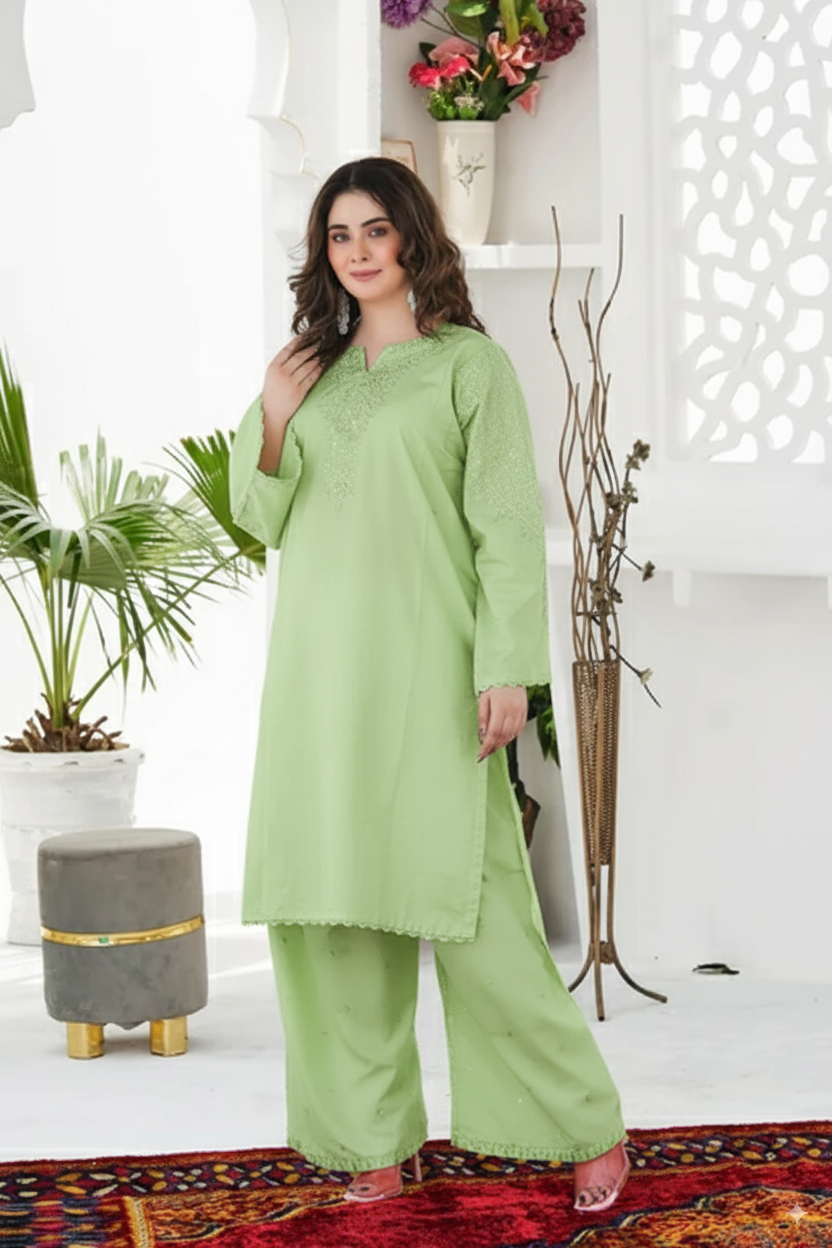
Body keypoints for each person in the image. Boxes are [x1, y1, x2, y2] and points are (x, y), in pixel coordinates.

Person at [229, 156, 630, 1213]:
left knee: (477, 912)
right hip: (319, 685)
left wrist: (505, 668)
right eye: (337, 236)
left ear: (412, 237)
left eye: (375, 230)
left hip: (433, 675)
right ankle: (370, 1145)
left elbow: (503, 528)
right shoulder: (303, 371)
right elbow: (257, 519)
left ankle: (581, 1123)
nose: (357, 252)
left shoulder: (468, 368)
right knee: (334, 917)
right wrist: (272, 413)